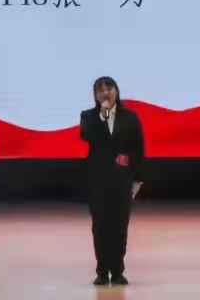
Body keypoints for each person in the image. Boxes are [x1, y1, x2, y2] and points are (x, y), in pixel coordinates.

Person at [79, 75, 145, 286]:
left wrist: (138, 179)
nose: (105, 93)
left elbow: (138, 148)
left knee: (119, 226)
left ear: (117, 91)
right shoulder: (89, 116)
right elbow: (87, 135)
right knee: (100, 226)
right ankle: (102, 270)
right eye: (100, 90)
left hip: (122, 180)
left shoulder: (130, 117)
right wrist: (103, 115)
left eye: (109, 88)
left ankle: (117, 271)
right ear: (95, 95)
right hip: (97, 181)